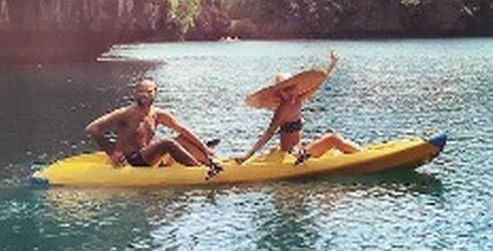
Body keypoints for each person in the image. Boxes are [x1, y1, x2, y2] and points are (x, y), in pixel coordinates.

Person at [236, 51, 359, 164]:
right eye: (284, 90)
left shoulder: (298, 100)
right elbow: (268, 133)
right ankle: (362, 156)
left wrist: (332, 63)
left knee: (332, 138)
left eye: (290, 88)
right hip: (292, 156)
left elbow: (317, 85)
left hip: (299, 149)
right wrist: (247, 156)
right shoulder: (283, 108)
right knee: (333, 138)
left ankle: (360, 154)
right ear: (280, 93)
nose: (288, 92)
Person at [86, 80, 221, 172]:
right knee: (168, 143)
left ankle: (209, 159)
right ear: (135, 93)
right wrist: (112, 152)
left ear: (156, 93)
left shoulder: (158, 114)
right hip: (131, 160)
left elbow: (183, 130)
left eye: (149, 91)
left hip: (147, 157)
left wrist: (204, 148)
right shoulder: (125, 114)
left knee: (181, 139)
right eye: (140, 91)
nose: (144, 95)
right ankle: (198, 171)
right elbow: (93, 128)